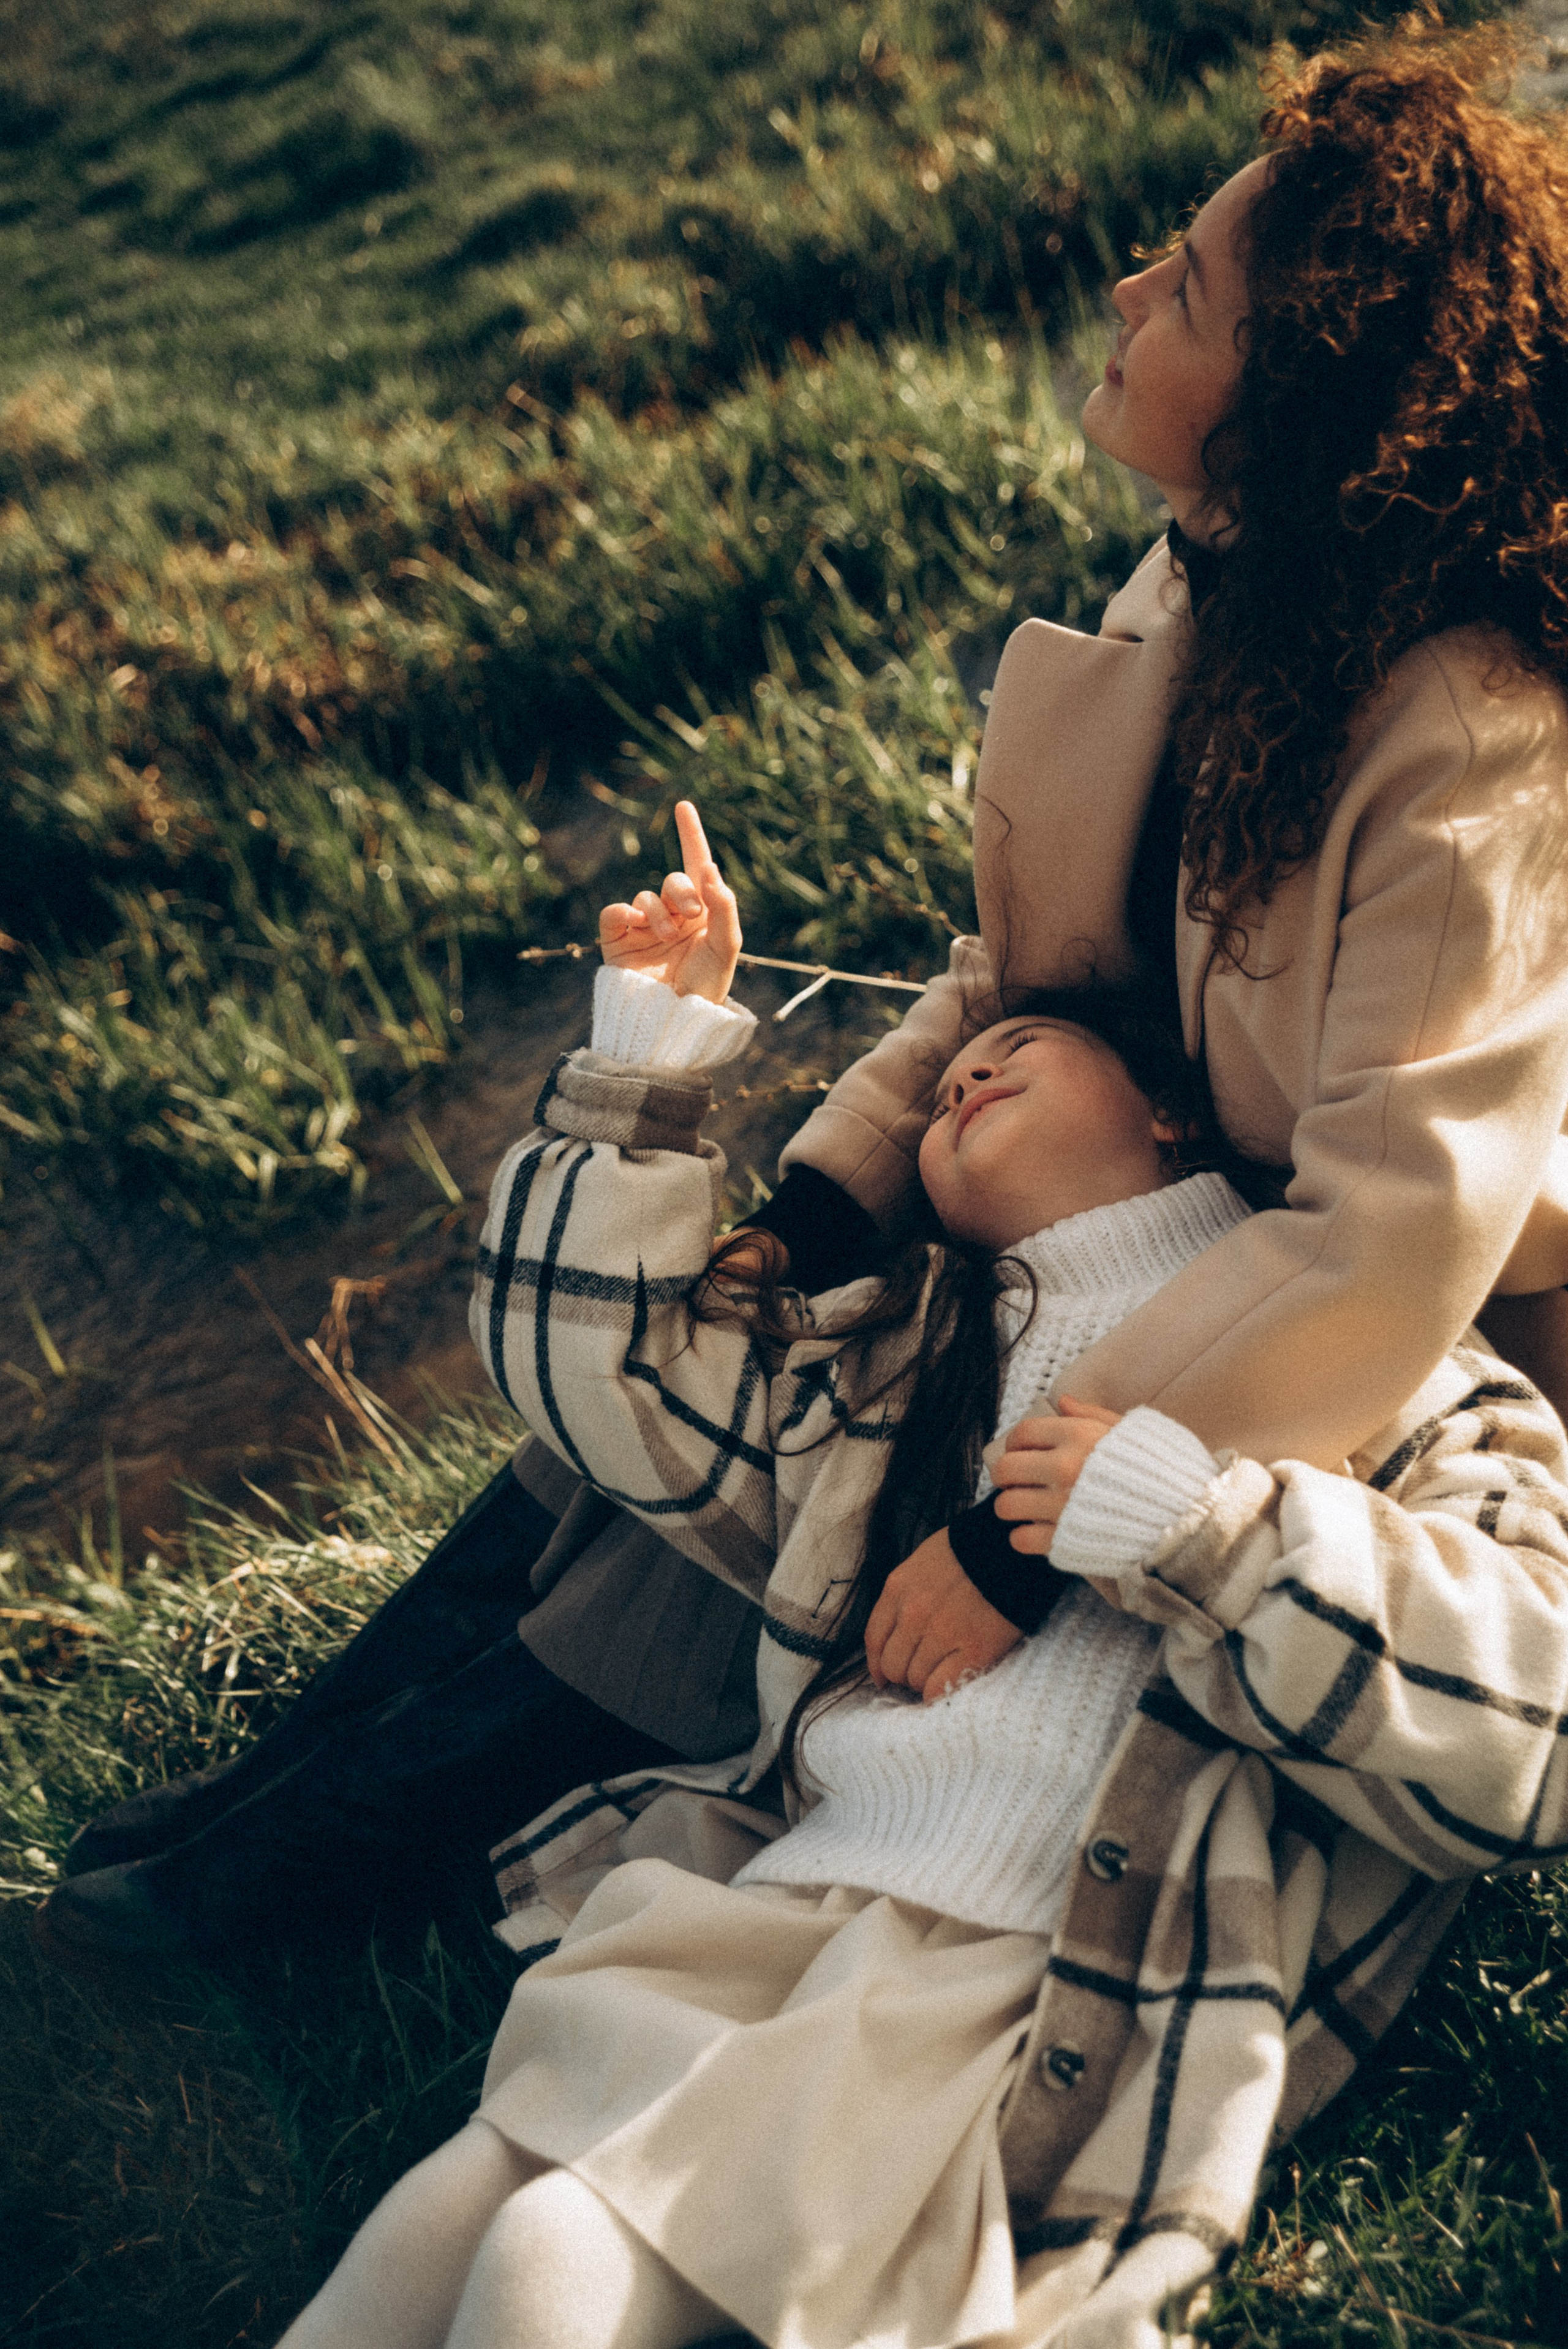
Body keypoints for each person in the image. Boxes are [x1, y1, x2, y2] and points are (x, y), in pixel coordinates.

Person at [43, 20, 1568, 1965]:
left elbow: (1396, 1230)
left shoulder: (1470, 741)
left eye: (1184, 286)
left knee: (754, 1507)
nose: (1124, 291)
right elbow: (1025, 976)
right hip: (1123, 1211)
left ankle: (216, 1925)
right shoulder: (1205, 583)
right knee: (634, 1421)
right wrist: (818, 1209)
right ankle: (232, 1817)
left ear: (1308, 391)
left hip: (1313, 1360)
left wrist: (1023, 1541)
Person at [279, 812, 1568, 2349]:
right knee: (425, 2233)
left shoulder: (1400, 1378)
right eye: (956, 1066)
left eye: (1020, 1040)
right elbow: (610, 1378)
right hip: (774, 1900)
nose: (964, 1067)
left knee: (547, 2259)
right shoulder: (894, 1367)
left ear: (1171, 1110)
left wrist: (1205, 1525)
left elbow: (1529, 1730)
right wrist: (653, 1034)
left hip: (1019, 1965)